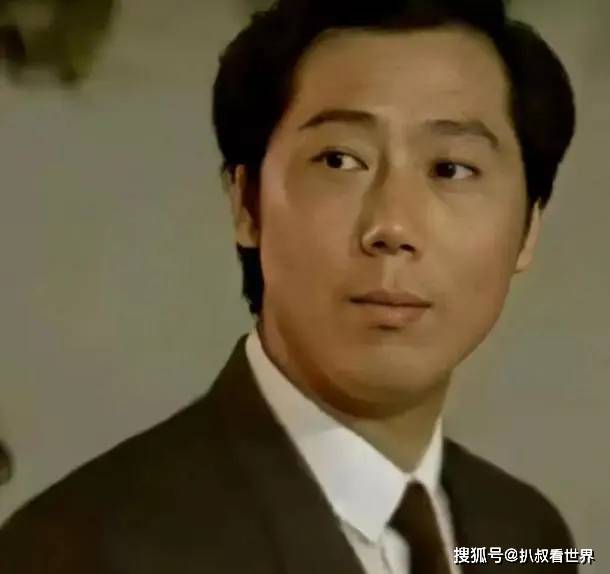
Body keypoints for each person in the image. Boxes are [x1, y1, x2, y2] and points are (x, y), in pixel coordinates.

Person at [0, 0, 577, 572]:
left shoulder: (527, 536)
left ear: (528, 228)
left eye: (450, 169)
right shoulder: (80, 550)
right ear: (247, 204)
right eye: (340, 161)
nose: (393, 227)